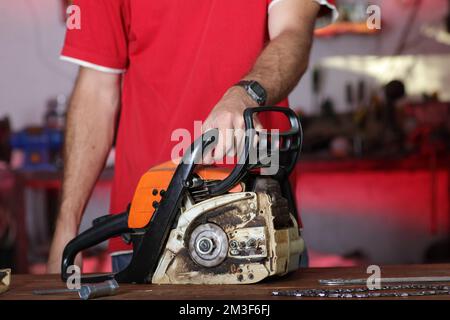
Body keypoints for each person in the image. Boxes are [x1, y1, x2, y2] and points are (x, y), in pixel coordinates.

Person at [47, 0, 337, 273]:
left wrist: (246, 95)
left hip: (259, 224)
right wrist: (66, 228)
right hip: (147, 226)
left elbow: (293, 33)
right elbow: (96, 88)